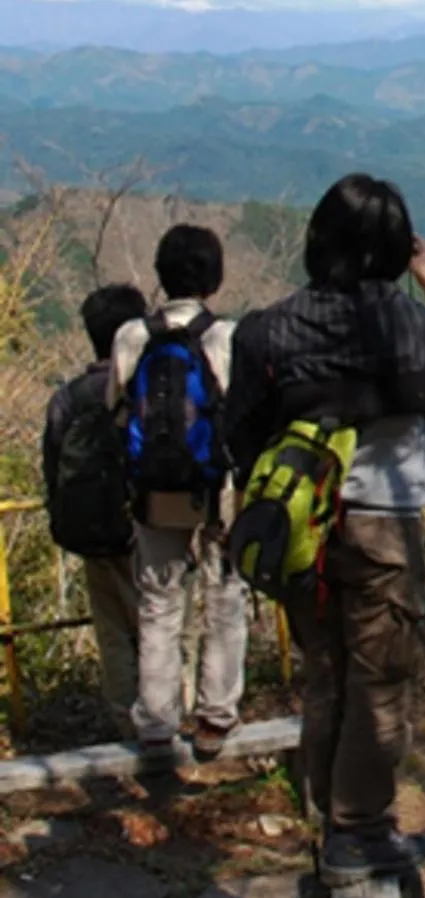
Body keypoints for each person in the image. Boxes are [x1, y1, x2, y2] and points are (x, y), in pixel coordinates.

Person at [226, 174, 425, 886]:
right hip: (383, 527)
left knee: (327, 673)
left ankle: (331, 814)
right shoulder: (406, 325)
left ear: (318, 240)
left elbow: (241, 435)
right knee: (382, 679)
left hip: (301, 530)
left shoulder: (266, 330)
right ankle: (360, 832)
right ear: (397, 250)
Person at [108, 224, 248, 761]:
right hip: (219, 489)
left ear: (162, 275)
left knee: (159, 603)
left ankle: (157, 722)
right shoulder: (226, 337)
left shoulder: (131, 336)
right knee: (224, 595)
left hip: (152, 491)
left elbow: (115, 408)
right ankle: (216, 716)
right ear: (214, 277)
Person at [41, 284, 148, 738]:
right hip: (148, 527)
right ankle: (166, 718)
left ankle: (127, 724)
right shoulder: (145, 389)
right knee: (159, 624)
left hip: (90, 533)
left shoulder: (67, 399)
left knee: (113, 632)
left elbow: (52, 472)